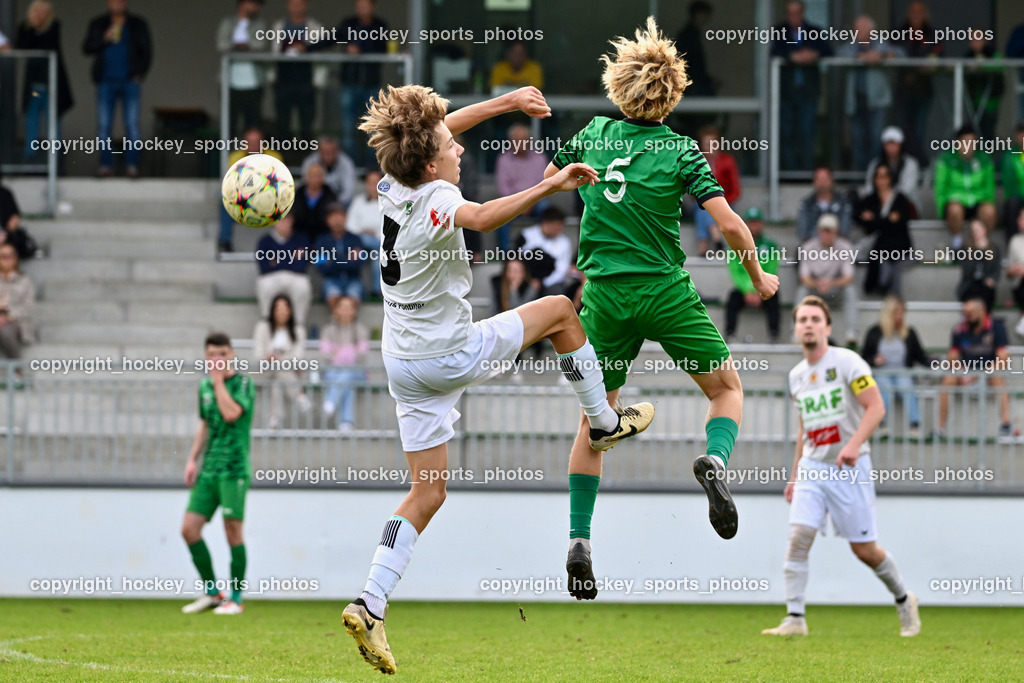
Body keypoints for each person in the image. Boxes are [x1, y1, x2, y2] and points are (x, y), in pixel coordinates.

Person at [341, 83, 653, 675]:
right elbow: (483, 217)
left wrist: (506, 104)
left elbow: (433, 130)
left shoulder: (393, 183)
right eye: (450, 145)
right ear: (431, 163)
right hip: (448, 353)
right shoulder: (435, 196)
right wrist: (551, 184)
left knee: (428, 491)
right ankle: (604, 420)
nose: (459, 147)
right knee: (562, 309)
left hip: (403, 364)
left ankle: (370, 603)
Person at [547, 17, 779, 600]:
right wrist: (757, 276)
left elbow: (550, 184)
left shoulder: (594, 132)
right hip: (665, 292)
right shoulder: (681, 150)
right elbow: (728, 223)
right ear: (672, 93)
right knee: (726, 389)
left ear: (618, 85)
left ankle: (580, 539)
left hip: (602, 297)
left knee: (597, 422)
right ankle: (715, 464)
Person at [762, 295, 920, 638]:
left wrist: (852, 444)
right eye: (802, 319)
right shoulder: (796, 376)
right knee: (798, 537)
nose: (808, 325)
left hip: (851, 468)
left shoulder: (848, 362)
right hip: (813, 468)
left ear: (828, 327)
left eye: (815, 319)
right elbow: (804, 426)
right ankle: (795, 618)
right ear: (795, 329)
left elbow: (876, 407)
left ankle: (904, 598)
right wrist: (794, 474)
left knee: (864, 550)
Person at [180, 332, 255, 616]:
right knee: (189, 529)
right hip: (209, 469)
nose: (217, 359)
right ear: (205, 356)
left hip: (234, 469)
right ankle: (213, 592)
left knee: (232, 531)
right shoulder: (204, 386)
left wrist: (218, 381)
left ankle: (236, 597)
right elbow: (206, 424)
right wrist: (191, 459)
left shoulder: (243, 383)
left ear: (232, 354)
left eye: (222, 354)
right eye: (212, 354)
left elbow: (231, 413)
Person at [82, 0, 152, 178]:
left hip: (130, 81)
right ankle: (106, 166)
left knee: (132, 125)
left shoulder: (137, 24)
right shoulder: (98, 23)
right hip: (105, 80)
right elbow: (87, 47)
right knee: (104, 126)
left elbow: (147, 50)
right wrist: (104, 38)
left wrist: (139, 73)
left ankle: (132, 166)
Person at [935, 297, 1012, 439]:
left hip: (988, 372)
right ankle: (939, 428)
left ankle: (1006, 426)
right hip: (965, 371)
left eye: (970, 314)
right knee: (947, 380)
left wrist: (980, 374)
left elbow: (1003, 358)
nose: (967, 318)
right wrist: (964, 372)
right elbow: (952, 357)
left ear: (982, 312)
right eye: (965, 314)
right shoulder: (959, 329)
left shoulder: (997, 328)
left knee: (998, 378)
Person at [771, 1, 832, 171]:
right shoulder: (779, 31)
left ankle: (806, 173)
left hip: (808, 92)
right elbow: (773, 51)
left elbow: (828, 50)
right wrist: (792, 56)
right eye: (790, 13)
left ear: (803, 13)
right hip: (786, 93)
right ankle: (790, 173)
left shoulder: (814, 31)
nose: (793, 17)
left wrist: (814, 54)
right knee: (786, 133)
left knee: (807, 133)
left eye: (796, 13)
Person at [836, 16, 903, 172]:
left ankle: (876, 175)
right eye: (856, 29)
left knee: (876, 139)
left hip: (878, 102)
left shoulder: (880, 44)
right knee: (857, 140)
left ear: (870, 31)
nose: (856, 32)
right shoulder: (851, 46)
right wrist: (861, 57)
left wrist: (883, 56)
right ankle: (860, 175)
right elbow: (839, 53)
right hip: (856, 102)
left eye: (860, 29)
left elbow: (900, 53)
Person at [861, 296, 930, 437]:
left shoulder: (909, 333)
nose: (900, 316)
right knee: (885, 388)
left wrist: (936, 364)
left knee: (906, 385)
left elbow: (920, 356)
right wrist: (875, 360)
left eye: (902, 312)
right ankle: (881, 424)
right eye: (896, 312)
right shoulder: (874, 332)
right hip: (881, 371)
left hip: (902, 371)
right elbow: (864, 357)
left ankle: (915, 424)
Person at [16, 0, 74, 164]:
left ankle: (55, 161)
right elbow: (23, 47)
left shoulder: (54, 25)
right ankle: (30, 159)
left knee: (53, 122)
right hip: (34, 85)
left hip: (52, 84)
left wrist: (39, 28)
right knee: (31, 121)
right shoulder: (25, 27)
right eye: (37, 11)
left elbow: (50, 45)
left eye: (44, 11)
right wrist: (32, 27)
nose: (40, 14)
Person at [270, 0, 329, 146]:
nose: (296, 7)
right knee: (282, 125)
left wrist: (317, 82)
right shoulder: (279, 27)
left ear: (305, 5)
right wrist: (272, 77)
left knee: (306, 126)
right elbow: (273, 55)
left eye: (299, 3)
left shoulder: (316, 27)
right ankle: (284, 162)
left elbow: (322, 56)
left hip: (306, 81)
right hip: (283, 80)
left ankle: (306, 162)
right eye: (293, 3)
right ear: (288, 5)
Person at [337, 0, 389, 166]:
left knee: (373, 129)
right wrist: (307, 49)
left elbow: (383, 49)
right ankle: (351, 168)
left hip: (371, 86)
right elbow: (332, 39)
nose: (362, 9)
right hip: (349, 84)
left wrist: (361, 51)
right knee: (347, 129)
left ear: (373, 7)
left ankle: (372, 169)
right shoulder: (348, 24)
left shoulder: (380, 25)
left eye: (365, 5)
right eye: (359, 6)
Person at [796, 214, 859, 346]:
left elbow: (848, 277)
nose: (826, 235)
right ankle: (796, 332)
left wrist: (830, 283)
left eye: (830, 231)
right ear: (818, 231)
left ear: (836, 232)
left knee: (850, 291)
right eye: (824, 231)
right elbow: (804, 278)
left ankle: (851, 332)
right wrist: (818, 283)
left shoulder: (845, 247)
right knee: (802, 291)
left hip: (834, 288)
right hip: (815, 289)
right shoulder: (808, 247)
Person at [219, 127, 284, 252]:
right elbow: (233, 182)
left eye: (257, 142)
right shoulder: (235, 156)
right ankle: (225, 241)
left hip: (268, 197)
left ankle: (281, 242)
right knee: (225, 197)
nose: (253, 145)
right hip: (244, 197)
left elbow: (279, 182)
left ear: (263, 143)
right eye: (250, 142)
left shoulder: (274, 156)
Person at [855, 163, 915, 297]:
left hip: (900, 245)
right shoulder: (870, 199)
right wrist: (887, 220)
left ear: (890, 178)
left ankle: (882, 285)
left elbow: (901, 223)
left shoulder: (899, 199)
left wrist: (875, 220)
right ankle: (891, 292)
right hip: (880, 246)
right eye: (879, 177)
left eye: (885, 176)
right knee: (885, 253)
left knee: (888, 253)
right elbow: (859, 217)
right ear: (874, 179)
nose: (882, 180)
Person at [895, 1, 942, 164]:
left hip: (923, 90)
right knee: (905, 131)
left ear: (925, 14)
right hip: (903, 90)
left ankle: (918, 165)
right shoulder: (900, 32)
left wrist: (930, 64)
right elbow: (893, 52)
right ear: (908, 14)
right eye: (913, 12)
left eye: (920, 12)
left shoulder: (931, 34)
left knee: (919, 131)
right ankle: (911, 164)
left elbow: (939, 55)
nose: (916, 16)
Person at [934, 125, 996, 249]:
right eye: (965, 142)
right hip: (956, 203)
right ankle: (958, 246)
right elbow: (940, 189)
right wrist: (942, 211)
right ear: (957, 143)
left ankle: (983, 244)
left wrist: (988, 202)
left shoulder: (984, 160)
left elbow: (990, 189)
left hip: (978, 201)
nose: (968, 146)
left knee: (989, 211)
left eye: (972, 142)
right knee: (954, 209)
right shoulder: (946, 160)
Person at [254, 294, 310, 429]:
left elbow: (298, 355)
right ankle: (298, 395)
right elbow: (258, 353)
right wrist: (270, 358)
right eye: (278, 308)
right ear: (272, 311)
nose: (281, 311)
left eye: (285, 308)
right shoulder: (263, 327)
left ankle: (275, 419)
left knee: (278, 381)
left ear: (290, 311)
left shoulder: (298, 330)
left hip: (285, 371)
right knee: (279, 367)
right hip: (264, 369)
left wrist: (280, 358)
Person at [725, 208, 780, 343]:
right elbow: (735, 271)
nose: (754, 226)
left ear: (761, 224)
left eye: (756, 222)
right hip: (746, 288)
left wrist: (759, 289)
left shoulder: (770, 245)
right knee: (733, 298)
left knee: (774, 298)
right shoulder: (735, 244)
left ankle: (774, 334)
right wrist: (748, 290)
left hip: (762, 287)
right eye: (751, 222)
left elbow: (772, 269)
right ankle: (730, 334)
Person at [216, 0, 269, 137]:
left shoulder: (261, 24)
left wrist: (240, 45)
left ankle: (252, 159)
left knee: (253, 126)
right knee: (229, 125)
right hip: (230, 82)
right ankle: (228, 158)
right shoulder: (228, 22)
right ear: (242, 3)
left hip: (254, 83)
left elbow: (260, 45)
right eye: (254, 3)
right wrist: (241, 46)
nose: (256, 7)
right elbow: (222, 45)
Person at [494, 123, 549, 252]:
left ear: (530, 141)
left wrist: (529, 202)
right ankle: (506, 253)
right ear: (511, 142)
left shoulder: (540, 158)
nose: (521, 143)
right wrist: (520, 204)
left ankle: (542, 250)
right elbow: (503, 188)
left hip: (535, 200)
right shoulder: (503, 159)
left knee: (546, 209)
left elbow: (544, 184)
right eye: (517, 140)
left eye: (524, 140)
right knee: (499, 213)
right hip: (512, 201)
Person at [320, 295, 369, 432]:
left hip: (357, 372)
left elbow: (361, 354)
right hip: (333, 372)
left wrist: (339, 353)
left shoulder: (360, 329)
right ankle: (346, 422)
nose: (346, 310)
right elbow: (326, 354)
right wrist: (348, 352)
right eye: (342, 307)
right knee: (346, 382)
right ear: (335, 310)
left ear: (354, 311)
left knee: (347, 373)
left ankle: (331, 401)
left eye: (349, 307)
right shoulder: (328, 330)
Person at [255, 212, 312, 326]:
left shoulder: (301, 239)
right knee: (264, 285)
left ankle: (298, 324)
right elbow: (264, 267)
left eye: (287, 219)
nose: (283, 222)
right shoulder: (264, 241)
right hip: (271, 277)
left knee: (303, 285)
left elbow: (302, 265)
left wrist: (277, 261)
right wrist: (291, 257)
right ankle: (268, 323)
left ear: (292, 221)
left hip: (295, 277)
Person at [693, 124, 740, 255]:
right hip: (702, 203)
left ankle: (703, 247)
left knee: (706, 209)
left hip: (727, 202)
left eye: (712, 143)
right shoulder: (696, 161)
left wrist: (721, 203)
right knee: (703, 208)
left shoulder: (727, 161)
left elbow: (736, 189)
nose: (709, 148)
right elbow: (692, 188)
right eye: (706, 144)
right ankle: (716, 237)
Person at [312, 202, 367, 305]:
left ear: (346, 217)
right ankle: (335, 321)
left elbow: (359, 263)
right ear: (327, 220)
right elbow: (321, 267)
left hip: (353, 279)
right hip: (331, 279)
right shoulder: (321, 241)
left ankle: (351, 321)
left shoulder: (355, 239)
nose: (337, 220)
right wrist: (347, 259)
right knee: (332, 294)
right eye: (333, 216)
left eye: (340, 215)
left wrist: (332, 261)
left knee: (354, 293)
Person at [514, 206, 574, 296]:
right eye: (556, 225)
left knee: (557, 292)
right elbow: (516, 260)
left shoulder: (564, 243)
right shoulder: (526, 235)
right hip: (526, 280)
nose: (559, 229)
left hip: (550, 283)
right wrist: (529, 281)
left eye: (560, 226)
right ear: (545, 223)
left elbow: (561, 269)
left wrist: (543, 283)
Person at [347, 169, 383, 296]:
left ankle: (376, 290)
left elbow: (390, 225)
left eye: (376, 182)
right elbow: (350, 225)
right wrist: (363, 231)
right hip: (359, 239)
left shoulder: (388, 203)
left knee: (377, 253)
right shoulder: (358, 201)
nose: (373, 186)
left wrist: (376, 233)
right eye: (370, 182)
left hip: (381, 241)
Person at [861, 127, 921, 205]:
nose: (891, 148)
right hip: (879, 204)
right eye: (888, 144)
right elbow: (869, 187)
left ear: (901, 145)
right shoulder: (875, 164)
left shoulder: (911, 164)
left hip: (905, 205)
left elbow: (907, 190)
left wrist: (888, 197)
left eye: (894, 144)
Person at [964, 36, 1004, 143]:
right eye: (973, 40)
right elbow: (960, 67)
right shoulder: (968, 56)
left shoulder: (992, 54)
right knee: (973, 133)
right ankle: (976, 158)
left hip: (990, 102)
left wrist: (982, 66)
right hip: (973, 102)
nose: (976, 43)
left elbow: (1000, 64)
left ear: (984, 41)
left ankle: (987, 158)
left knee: (988, 133)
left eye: (978, 39)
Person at [797, 167, 853, 242]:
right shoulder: (806, 204)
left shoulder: (843, 203)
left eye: (825, 179)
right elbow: (802, 232)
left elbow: (845, 229)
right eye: (819, 179)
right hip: (813, 244)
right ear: (814, 181)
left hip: (837, 245)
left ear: (832, 181)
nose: (822, 183)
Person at [0, 244, 35, 360]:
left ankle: (17, 370)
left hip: (16, 320)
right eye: (4, 256)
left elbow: (28, 307)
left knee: (6, 333)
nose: (9, 259)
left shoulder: (24, 281)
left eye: (12, 256)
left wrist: (8, 317)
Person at [956, 219, 1000, 312]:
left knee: (986, 290)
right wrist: (979, 252)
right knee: (974, 291)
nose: (977, 233)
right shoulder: (964, 250)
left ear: (985, 230)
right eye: (974, 230)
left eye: (979, 229)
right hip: (969, 285)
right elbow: (968, 271)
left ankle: (984, 321)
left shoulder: (994, 249)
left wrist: (991, 279)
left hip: (985, 287)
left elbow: (996, 271)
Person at [289, 162, 337, 243]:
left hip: (324, 236)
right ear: (306, 177)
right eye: (312, 175)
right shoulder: (298, 194)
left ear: (323, 177)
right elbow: (293, 217)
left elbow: (332, 218)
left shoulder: (330, 195)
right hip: (299, 235)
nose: (315, 178)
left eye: (318, 175)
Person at [301, 137, 356, 205]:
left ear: (337, 151)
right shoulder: (310, 162)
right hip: (316, 202)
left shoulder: (346, 163)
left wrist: (334, 205)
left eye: (331, 152)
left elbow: (348, 192)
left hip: (339, 203)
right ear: (319, 151)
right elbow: (305, 187)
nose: (328, 156)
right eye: (325, 152)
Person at [0, 173, 38, 260]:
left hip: (4, 236)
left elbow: (15, 218)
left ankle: (8, 273)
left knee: (8, 250)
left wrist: (5, 234)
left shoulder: (5, 193)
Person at [999, 123, 1024, 235]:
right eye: (1021, 133)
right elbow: (1011, 184)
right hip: (1017, 198)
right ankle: (1012, 243)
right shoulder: (1010, 156)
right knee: (1012, 204)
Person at [1007, 206, 1024, 337]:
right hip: (1020, 287)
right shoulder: (1015, 241)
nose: (1018, 221)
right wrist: (1013, 270)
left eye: (1022, 218)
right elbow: (1009, 274)